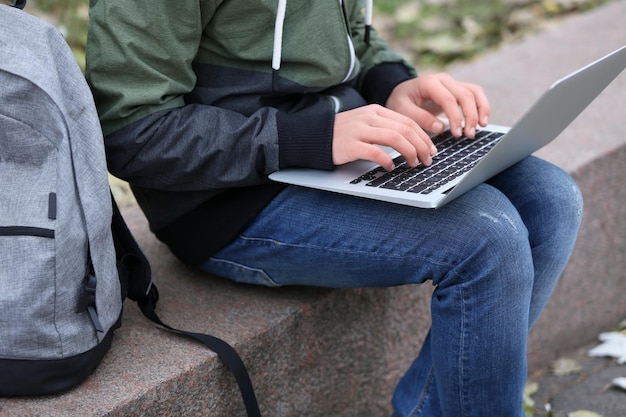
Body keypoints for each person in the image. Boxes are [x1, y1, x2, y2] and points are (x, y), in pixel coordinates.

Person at [85, 1, 583, 415]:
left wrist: (393, 84)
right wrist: (308, 139)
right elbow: (132, 131)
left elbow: (348, 36)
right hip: (224, 199)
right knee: (485, 239)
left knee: (550, 200)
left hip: (337, 141)